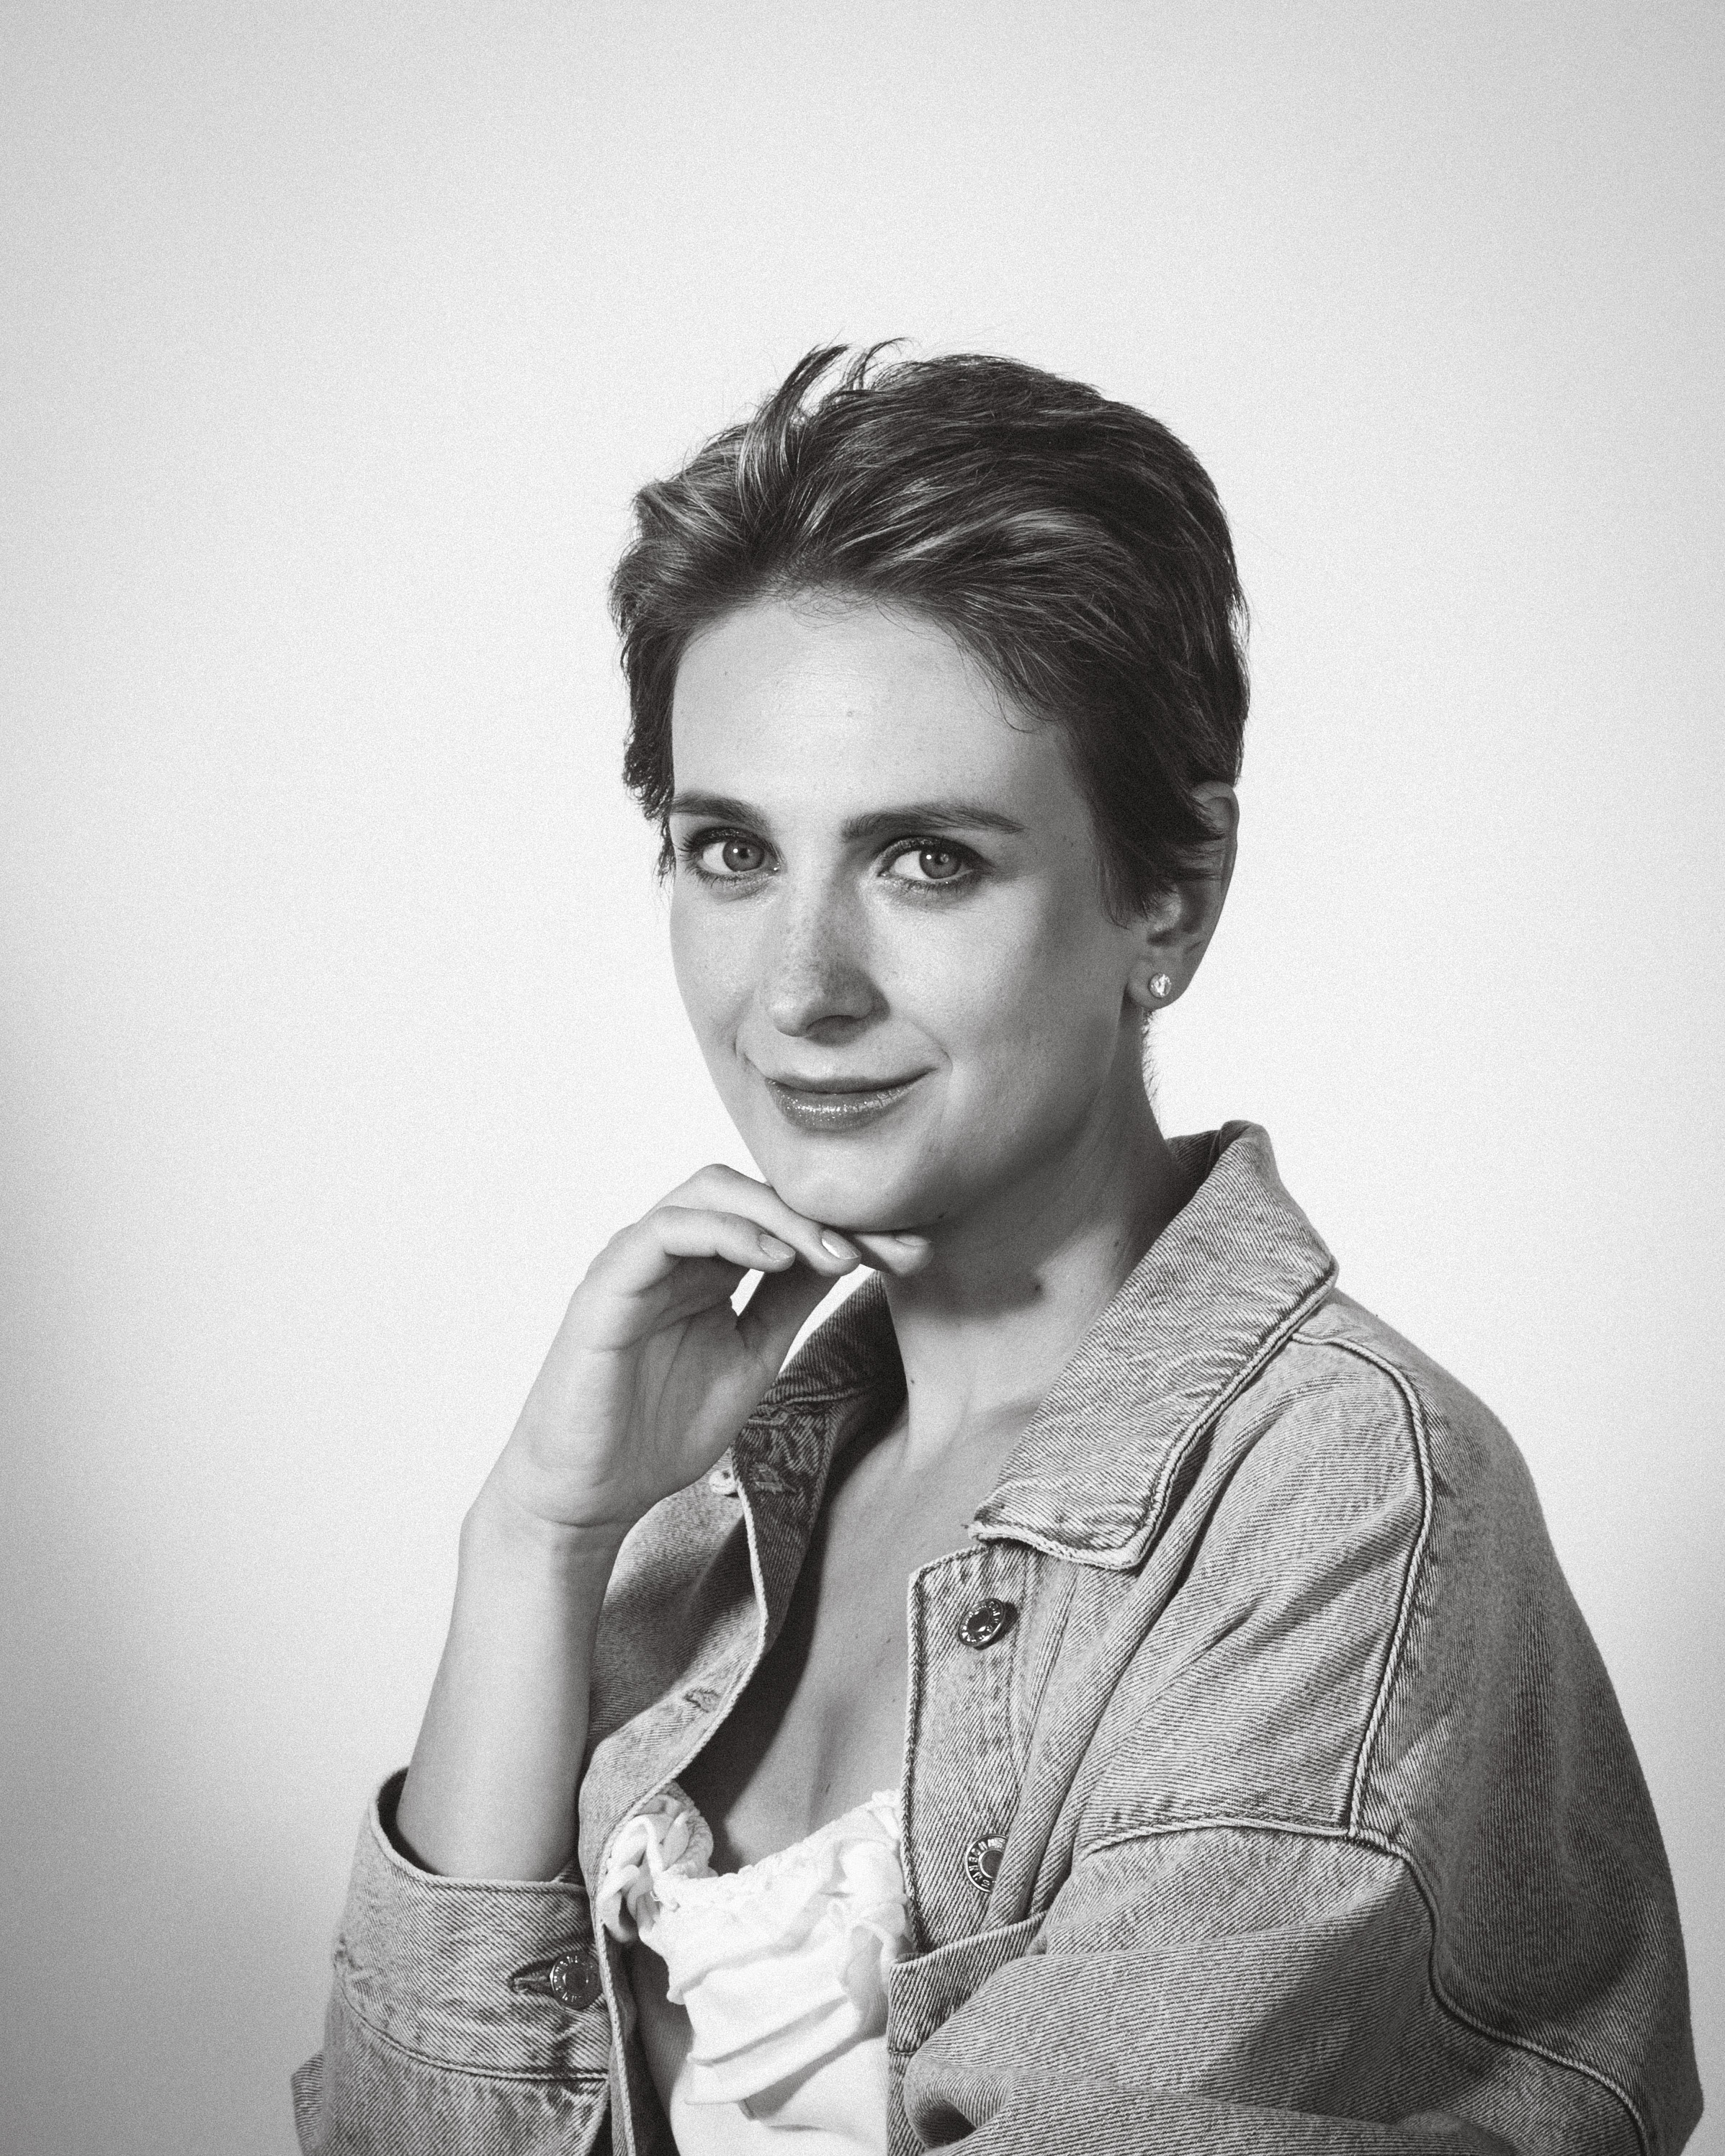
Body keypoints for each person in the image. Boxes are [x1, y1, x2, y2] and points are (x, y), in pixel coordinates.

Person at [293, 347, 1701, 2156]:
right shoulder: (697, 1498)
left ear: (1168, 894)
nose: (799, 987)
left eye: (926, 861)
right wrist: (533, 1542)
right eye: (729, 851)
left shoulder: (1340, 1502)